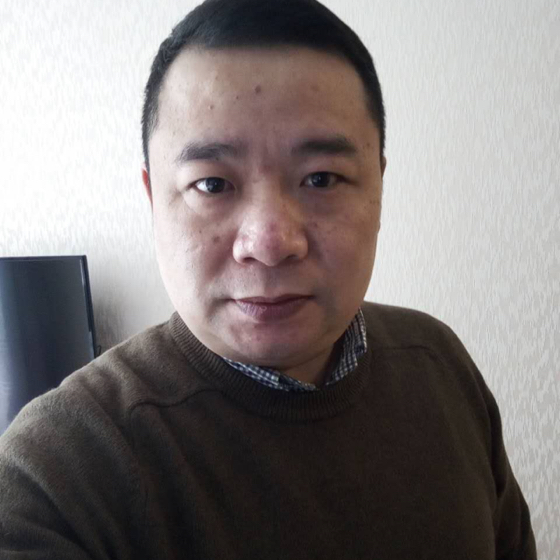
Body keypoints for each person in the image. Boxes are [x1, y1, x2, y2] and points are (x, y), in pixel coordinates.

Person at [0, 0, 537, 558]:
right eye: (212, 184)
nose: (271, 242)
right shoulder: (56, 475)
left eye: (321, 178)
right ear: (154, 198)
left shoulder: (439, 364)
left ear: (378, 185)